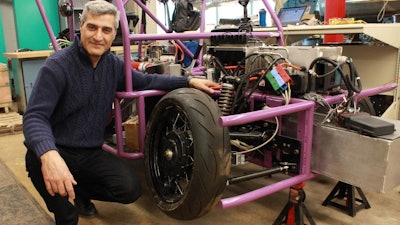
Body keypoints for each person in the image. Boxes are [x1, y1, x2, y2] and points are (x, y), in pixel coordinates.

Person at [22, 1, 219, 224]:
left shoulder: (113, 65)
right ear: (81, 27)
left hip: (89, 153)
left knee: (129, 190)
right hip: (58, 149)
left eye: (106, 30)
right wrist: (48, 154)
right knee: (66, 214)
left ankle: (79, 193)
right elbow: (34, 117)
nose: (98, 36)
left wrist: (188, 80)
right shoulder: (57, 66)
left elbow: (147, 81)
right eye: (92, 27)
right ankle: (64, 206)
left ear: (114, 33)